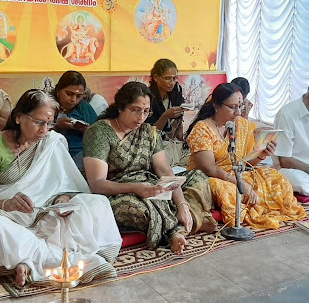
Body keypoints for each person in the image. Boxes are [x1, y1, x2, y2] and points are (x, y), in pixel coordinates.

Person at [0, 89, 122, 288]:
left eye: (50, 123)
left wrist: (64, 198)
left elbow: (67, 183)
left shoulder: (52, 142)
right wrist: (7, 203)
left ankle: (28, 262)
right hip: (12, 217)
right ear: (18, 118)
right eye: (38, 122)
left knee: (97, 203)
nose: (45, 130)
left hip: (49, 214)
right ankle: (67, 262)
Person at [83, 82, 215, 255]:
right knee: (136, 208)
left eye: (146, 111)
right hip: (118, 191)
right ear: (120, 107)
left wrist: (181, 204)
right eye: (135, 110)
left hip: (150, 185)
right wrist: (136, 189)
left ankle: (181, 218)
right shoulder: (99, 132)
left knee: (198, 178)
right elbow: (97, 184)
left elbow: (165, 171)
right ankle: (179, 230)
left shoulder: (148, 132)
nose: (141, 117)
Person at [186, 83, 307, 229]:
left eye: (241, 106)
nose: (238, 112)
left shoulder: (241, 125)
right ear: (216, 106)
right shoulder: (202, 129)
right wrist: (240, 183)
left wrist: (262, 154)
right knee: (228, 190)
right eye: (233, 107)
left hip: (236, 173)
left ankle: (259, 206)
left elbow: (245, 164)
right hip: (210, 178)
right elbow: (210, 170)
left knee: (275, 177)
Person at [51, 71, 97, 171]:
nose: (73, 100)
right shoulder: (47, 105)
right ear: (58, 90)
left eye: (78, 96)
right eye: (69, 94)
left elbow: (98, 133)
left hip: (80, 153)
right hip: (52, 154)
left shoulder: (84, 108)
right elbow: (34, 130)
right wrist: (56, 125)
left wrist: (87, 130)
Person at [145, 58, 189, 166]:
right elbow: (150, 134)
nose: (172, 83)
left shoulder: (176, 90)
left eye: (174, 78)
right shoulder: (148, 96)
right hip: (156, 144)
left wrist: (182, 140)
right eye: (168, 78)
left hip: (173, 142)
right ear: (156, 78)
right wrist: (165, 116)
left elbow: (179, 121)